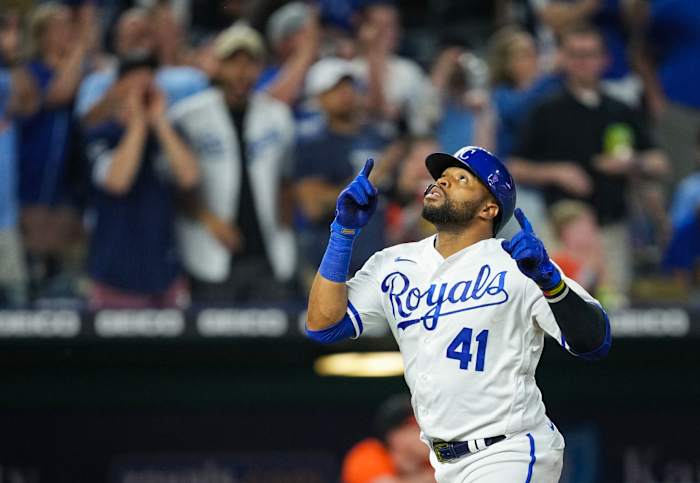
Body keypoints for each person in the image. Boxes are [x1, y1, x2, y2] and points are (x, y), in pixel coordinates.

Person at [305, 146, 611, 482]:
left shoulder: (518, 262)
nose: (443, 182)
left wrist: (549, 282)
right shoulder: (393, 263)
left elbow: (594, 342)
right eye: (442, 177)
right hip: (445, 463)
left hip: (509, 450)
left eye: (461, 178)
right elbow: (323, 325)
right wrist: (342, 232)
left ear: (489, 208)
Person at [508, 24, 668, 297]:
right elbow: (513, 165)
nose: (583, 62)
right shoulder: (546, 110)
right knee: (555, 308)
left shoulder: (621, 108)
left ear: (604, 60)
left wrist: (632, 164)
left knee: (613, 309)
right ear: (564, 59)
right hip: (560, 232)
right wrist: (556, 172)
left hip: (612, 230)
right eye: (575, 55)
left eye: (590, 54)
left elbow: (660, 162)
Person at [169, 23, 297, 304]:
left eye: (249, 62)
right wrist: (209, 219)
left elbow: (286, 182)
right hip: (209, 252)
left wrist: (285, 228)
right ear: (218, 66)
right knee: (212, 344)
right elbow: (175, 185)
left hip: (267, 255)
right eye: (232, 62)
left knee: (271, 342)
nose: (241, 72)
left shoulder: (277, 116)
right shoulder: (188, 116)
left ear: (260, 67)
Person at [83, 53, 199, 309]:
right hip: (114, 276)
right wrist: (136, 122)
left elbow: (189, 178)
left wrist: (158, 119)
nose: (141, 96)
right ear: (116, 90)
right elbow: (118, 181)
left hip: (165, 275)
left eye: (148, 89)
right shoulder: (100, 136)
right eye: (134, 89)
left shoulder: (168, 136)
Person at [293, 57, 390, 289]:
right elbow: (313, 207)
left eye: (349, 86)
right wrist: (366, 182)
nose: (346, 93)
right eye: (335, 88)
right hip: (329, 265)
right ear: (318, 96)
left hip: (377, 263)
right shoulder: (312, 143)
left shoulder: (379, 137)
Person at [342, 394, 435, 483]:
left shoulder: (433, 461)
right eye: (416, 427)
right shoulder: (369, 453)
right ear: (396, 436)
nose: (429, 432)